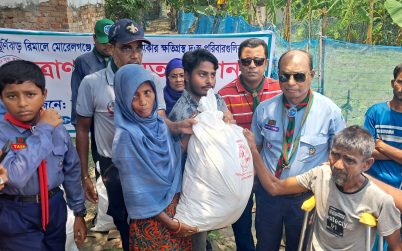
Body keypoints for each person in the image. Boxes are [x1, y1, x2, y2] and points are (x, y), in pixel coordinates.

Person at [75, 18, 166, 251]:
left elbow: (161, 123)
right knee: (123, 222)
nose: (134, 55)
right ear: (112, 48)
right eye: (126, 48)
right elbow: (83, 129)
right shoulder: (92, 83)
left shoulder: (153, 81)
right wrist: (85, 175)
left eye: (139, 48)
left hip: (147, 165)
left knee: (150, 221)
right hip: (112, 168)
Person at [243, 125, 402, 250]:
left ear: (367, 164)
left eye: (350, 160)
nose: (338, 165)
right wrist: (253, 151)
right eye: (335, 155)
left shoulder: (380, 200)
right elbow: (274, 187)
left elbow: (395, 247)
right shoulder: (321, 174)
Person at [251, 49, 345, 251]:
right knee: (265, 245)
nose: (291, 82)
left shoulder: (330, 112)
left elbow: (338, 159)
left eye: (299, 76)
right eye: (284, 76)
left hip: (306, 198)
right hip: (269, 196)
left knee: (301, 246)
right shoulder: (264, 110)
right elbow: (255, 150)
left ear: (312, 75)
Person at [0, 60, 87, 250]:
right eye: (12, 96)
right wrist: (43, 129)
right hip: (16, 213)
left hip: (55, 208)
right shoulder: (3, 133)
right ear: (1, 98)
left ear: (44, 94)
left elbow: (71, 169)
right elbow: (15, 177)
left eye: (30, 94)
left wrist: (79, 212)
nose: (22, 103)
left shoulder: (57, 128)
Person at [112, 64, 198, 250]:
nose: (142, 101)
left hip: (175, 210)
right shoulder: (126, 137)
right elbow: (139, 193)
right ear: (122, 98)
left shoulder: (159, 123)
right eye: (133, 95)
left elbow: (174, 157)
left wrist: (193, 129)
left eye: (147, 93)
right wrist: (172, 224)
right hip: (152, 222)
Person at [218, 38, 281, 251]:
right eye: (246, 61)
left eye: (258, 60)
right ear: (238, 63)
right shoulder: (224, 95)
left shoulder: (280, 91)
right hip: (239, 173)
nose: (252, 66)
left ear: (266, 62)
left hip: (270, 172)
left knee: (267, 227)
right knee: (242, 227)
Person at [168, 48, 233, 251]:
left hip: (214, 178)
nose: (209, 80)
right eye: (202, 74)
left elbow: (228, 125)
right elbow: (178, 154)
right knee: (194, 233)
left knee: (205, 228)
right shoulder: (181, 112)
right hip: (192, 185)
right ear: (187, 76)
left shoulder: (216, 100)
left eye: (212, 74)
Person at [364, 63, 402, 244]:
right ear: (392, 82)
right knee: (370, 242)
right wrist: (398, 154)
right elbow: (365, 151)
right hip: (373, 187)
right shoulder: (375, 112)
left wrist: (382, 146)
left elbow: (375, 147)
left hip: (399, 194)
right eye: (400, 81)